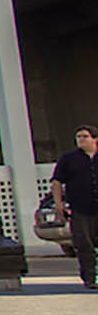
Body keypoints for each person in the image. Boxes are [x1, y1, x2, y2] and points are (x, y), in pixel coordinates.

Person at [50, 124, 98, 290]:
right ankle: (90, 278)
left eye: (85, 136)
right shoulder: (68, 159)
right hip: (80, 208)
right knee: (84, 244)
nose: (81, 140)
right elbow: (57, 182)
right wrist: (58, 204)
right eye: (78, 137)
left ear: (95, 139)